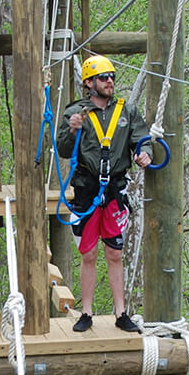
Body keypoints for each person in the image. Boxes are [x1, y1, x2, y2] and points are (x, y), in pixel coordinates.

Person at [56, 54, 152, 334]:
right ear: (89, 83)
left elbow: (141, 140)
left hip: (114, 190)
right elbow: (63, 149)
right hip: (86, 189)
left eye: (112, 77)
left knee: (114, 252)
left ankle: (121, 313)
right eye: (103, 77)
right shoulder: (77, 112)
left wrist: (144, 154)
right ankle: (86, 312)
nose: (110, 81)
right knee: (88, 254)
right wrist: (72, 130)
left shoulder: (127, 111)